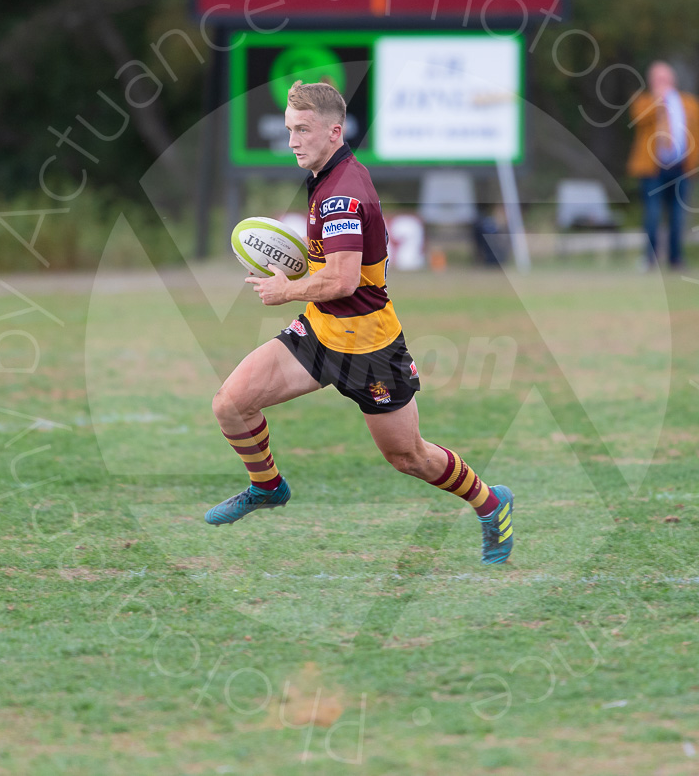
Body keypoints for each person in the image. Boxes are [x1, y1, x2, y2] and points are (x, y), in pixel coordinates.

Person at [205, 81, 516, 564]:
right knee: (230, 404)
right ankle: (267, 487)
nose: (293, 141)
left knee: (408, 456)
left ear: (334, 131)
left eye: (303, 130)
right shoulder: (326, 177)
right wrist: (296, 274)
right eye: (289, 130)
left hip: (370, 347)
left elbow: (345, 280)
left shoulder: (341, 195)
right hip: (319, 332)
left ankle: (491, 503)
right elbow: (332, 273)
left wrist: (285, 289)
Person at [627, 61, 699, 269]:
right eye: (657, 79)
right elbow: (638, 118)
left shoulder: (689, 103)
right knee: (652, 215)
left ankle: (675, 258)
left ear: (673, 80)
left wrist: (695, 162)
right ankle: (649, 258)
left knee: (678, 216)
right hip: (652, 169)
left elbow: (698, 135)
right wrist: (658, 102)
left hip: (680, 167)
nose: (661, 82)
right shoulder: (644, 102)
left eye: (664, 78)